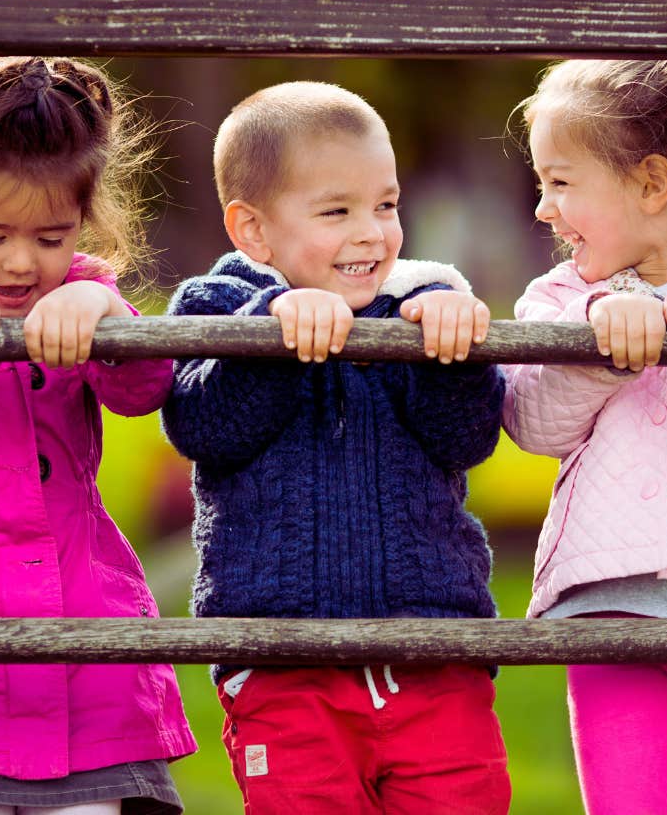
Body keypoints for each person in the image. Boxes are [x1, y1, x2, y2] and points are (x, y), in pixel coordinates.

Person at [160, 80, 511, 815]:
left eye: (385, 206)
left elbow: (469, 439)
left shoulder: (421, 303)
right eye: (336, 211)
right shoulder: (216, 307)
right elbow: (204, 426)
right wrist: (271, 330)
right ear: (253, 232)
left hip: (432, 651)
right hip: (285, 660)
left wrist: (451, 348)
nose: (371, 233)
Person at [0, 57, 196, 815]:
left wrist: (104, 311)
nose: (23, 261)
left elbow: (143, 393)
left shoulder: (83, 290)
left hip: (80, 655)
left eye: (52, 236)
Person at [503, 59, 667, 815]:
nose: (544, 208)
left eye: (562, 182)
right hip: (608, 613)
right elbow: (531, 423)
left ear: (650, 184)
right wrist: (594, 347)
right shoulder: (561, 298)